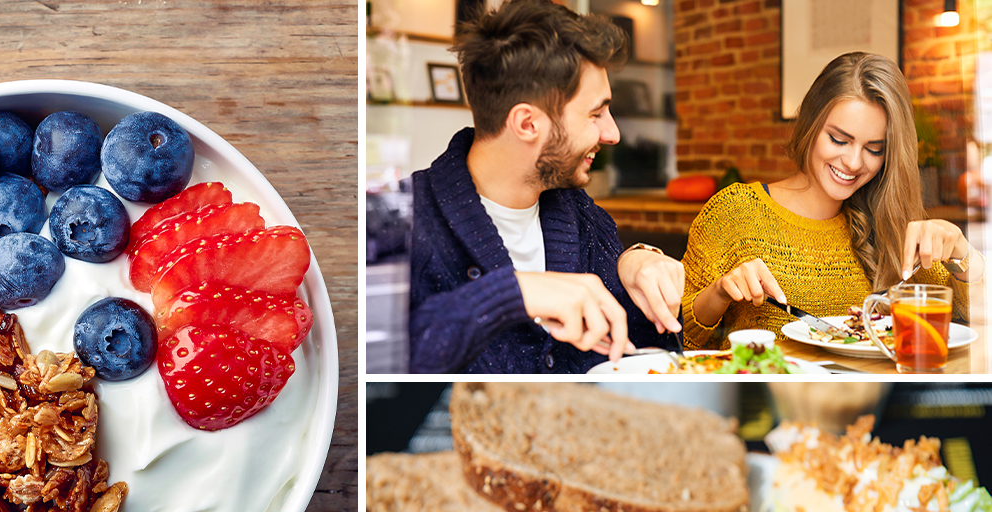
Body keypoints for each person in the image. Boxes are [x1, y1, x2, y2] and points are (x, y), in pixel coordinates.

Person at [407, 0, 684, 374]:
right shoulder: (405, 221)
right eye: (595, 113)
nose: (613, 133)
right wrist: (513, 295)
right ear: (527, 123)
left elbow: (646, 355)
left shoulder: (583, 216)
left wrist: (638, 263)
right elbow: (387, 356)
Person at [681, 52, 984, 349]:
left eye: (874, 149)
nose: (853, 162)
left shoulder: (890, 224)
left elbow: (971, 321)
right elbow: (678, 337)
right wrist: (719, 292)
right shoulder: (735, 211)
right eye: (839, 139)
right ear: (811, 125)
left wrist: (962, 251)